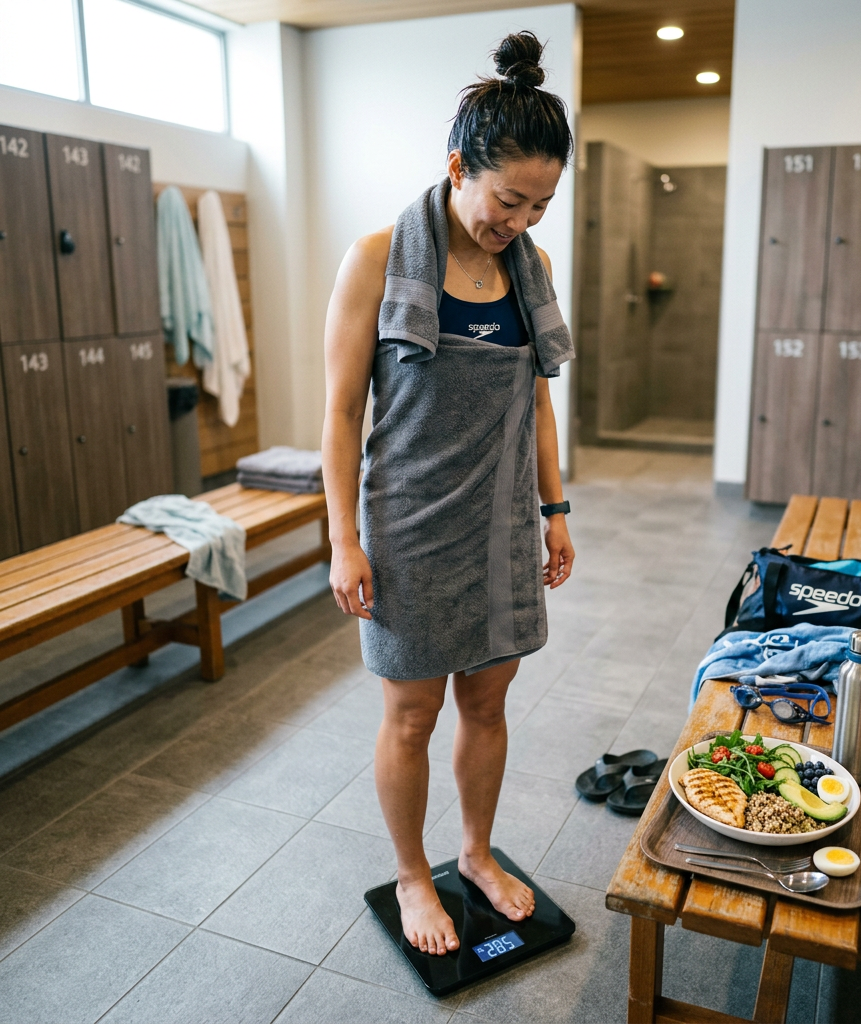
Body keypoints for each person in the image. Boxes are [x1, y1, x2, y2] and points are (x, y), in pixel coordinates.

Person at [321, 31, 576, 958]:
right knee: (412, 714)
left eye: (541, 204)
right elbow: (343, 415)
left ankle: (473, 854)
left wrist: (554, 511)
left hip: (503, 526)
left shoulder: (528, 268)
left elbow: (537, 400)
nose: (521, 220)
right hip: (410, 531)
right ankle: (412, 873)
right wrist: (345, 540)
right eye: (510, 199)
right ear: (459, 166)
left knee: (489, 706)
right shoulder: (380, 256)